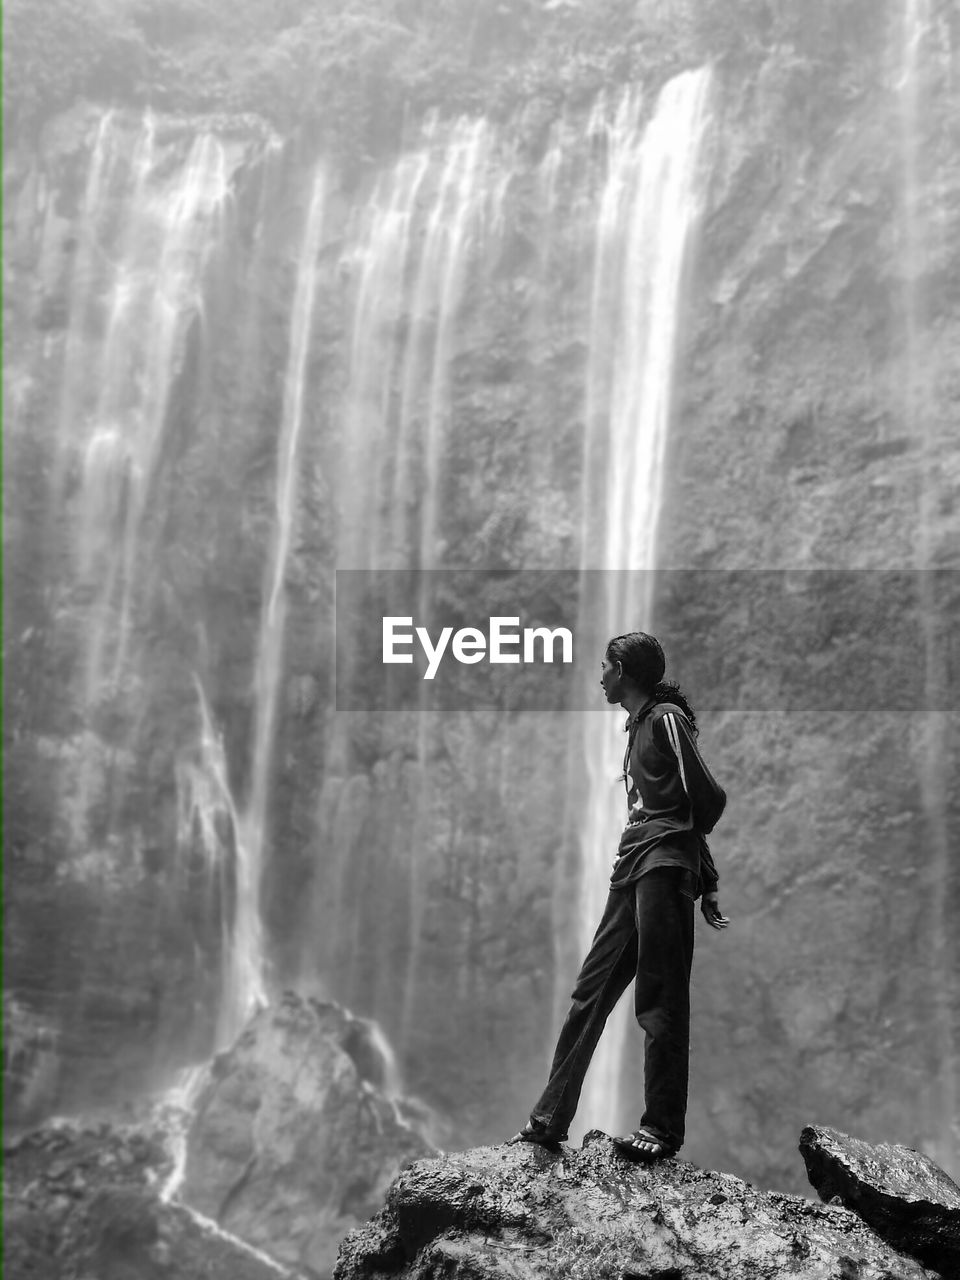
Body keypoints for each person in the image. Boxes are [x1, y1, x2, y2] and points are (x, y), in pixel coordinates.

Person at [509, 631, 728, 1162]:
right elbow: (680, 805)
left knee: (660, 999)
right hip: (634, 867)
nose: (600, 675)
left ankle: (660, 1130)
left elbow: (705, 797)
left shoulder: (665, 720)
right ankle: (550, 1117)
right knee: (592, 990)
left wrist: (700, 870)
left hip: (663, 867)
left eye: (606, 666)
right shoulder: (636, 727)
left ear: (625, 672)